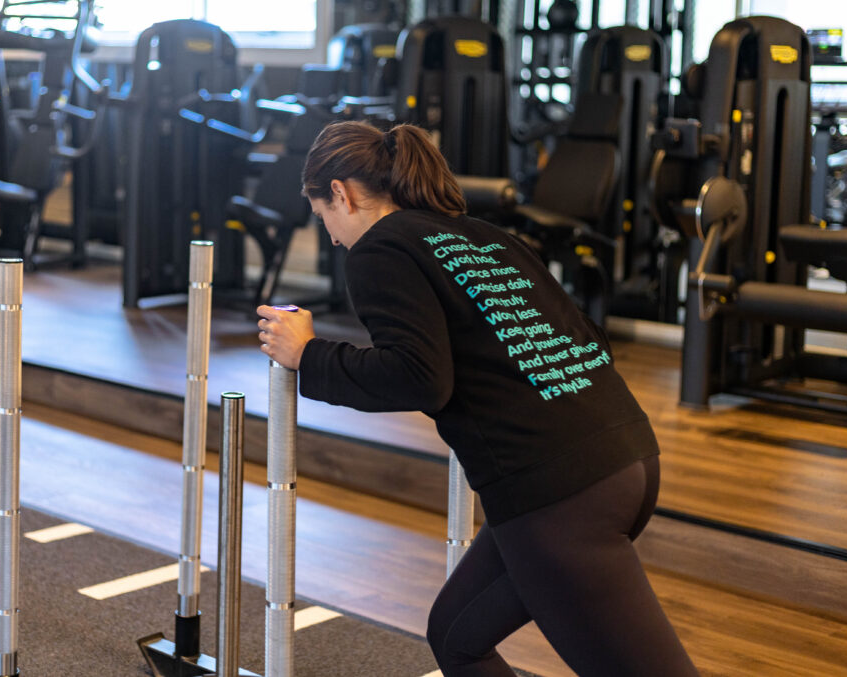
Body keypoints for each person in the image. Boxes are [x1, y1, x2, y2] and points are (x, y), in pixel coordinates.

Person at [255, 121, 698, 677]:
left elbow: (418, 378)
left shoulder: (379, 249)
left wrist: (309, 354)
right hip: (627, 458)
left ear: (340, 193)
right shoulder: (484, 236)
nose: (333, 235)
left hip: (560, 494)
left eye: (324, 217)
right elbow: (590, 338)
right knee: (458, 636)